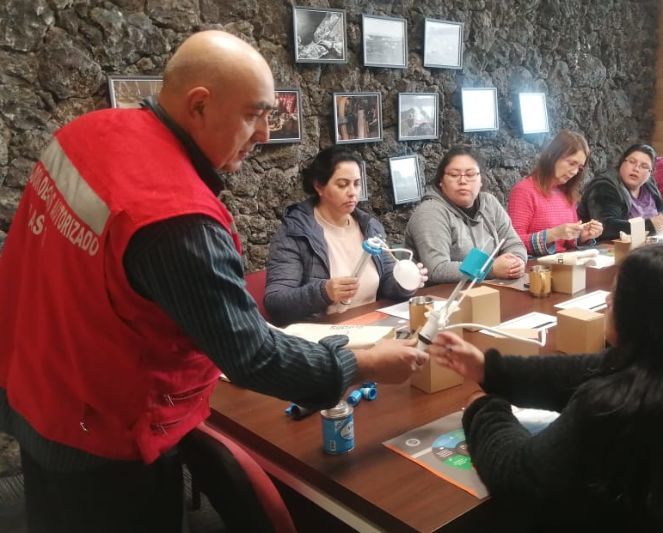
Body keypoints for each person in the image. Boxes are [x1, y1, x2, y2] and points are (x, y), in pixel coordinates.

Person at [0, 31, 427, 532]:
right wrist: (366, 364)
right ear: (198, 105)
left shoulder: (87, 131)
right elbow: (253, 356)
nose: (265, 133)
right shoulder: (177, 217)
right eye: (254, 114)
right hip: (103, 432)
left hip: (34, 385)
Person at [429, 244, 663, 531]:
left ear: (647, 322)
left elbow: (521, 477)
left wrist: (484, 406)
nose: (609, 301)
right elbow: (593, 368)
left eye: (618, 296)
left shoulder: (620, 410)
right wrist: (493, 370)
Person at [264, 147, 427, 325]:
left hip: (372, 323)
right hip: (324, 335)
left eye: (356, 184)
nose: (352, 192)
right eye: (342, 185)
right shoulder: (295, 233)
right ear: (319, 186)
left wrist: (406, 282)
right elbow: (276, 303)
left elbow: (388, 284)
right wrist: (323, 292)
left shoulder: (370, 227)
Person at [404, 146, 527, 284]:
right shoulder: (429, 212)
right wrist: (489, 268)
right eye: (454, 175)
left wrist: (517, 262)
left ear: (480, 180)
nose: (463, 181)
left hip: (488, 290)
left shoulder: (489, 203)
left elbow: (514, 243)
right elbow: (436, 269)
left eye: (470, 174)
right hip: (442, 298)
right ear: (441, 181)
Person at [507, 130, 603, 256]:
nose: (575, 172)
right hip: (538, 270)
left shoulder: (566, 193)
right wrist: (552, 234)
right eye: (571, 163)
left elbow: (566, 244)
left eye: (579, 168)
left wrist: (582, 236)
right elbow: (513, 244)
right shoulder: (524, 190)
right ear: (552, 156)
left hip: (564, 264)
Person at [579, 143, 663, 241]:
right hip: (610, 248)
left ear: (650, 172)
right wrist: (648, 226)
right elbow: (606, 226)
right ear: (621, 162)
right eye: (632, 162)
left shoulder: (648, 185)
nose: (636, 168)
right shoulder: (604, 186)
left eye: (644, 166)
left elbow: (661, 209)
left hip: (647, 243)